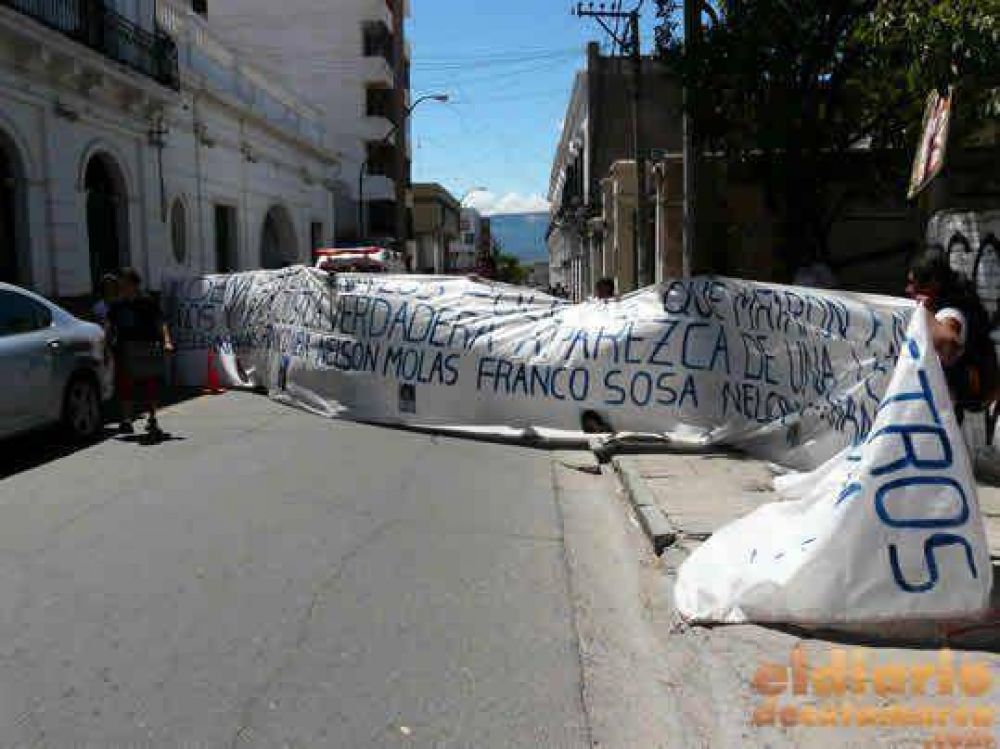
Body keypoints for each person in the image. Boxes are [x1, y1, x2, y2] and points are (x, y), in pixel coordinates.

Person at [905, 251, 999, 412]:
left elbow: (947, 343)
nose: (908, 289)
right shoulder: (955, 304)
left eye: (913, 283)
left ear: (933, 284)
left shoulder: (949, 313)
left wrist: (924, 312)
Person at [106, 268, 174, 438]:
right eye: (121, 282)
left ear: (134, 284)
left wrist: (166, 341)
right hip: (125, 348)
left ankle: (152, 417)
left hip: (147, 347)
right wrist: (106, 345)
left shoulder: (147, 302)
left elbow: (161, 321)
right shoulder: (117, 304)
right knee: (125, 384)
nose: (122, 285)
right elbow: (109, 325)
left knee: (150, 384)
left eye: (125, 282)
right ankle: (126, 420)